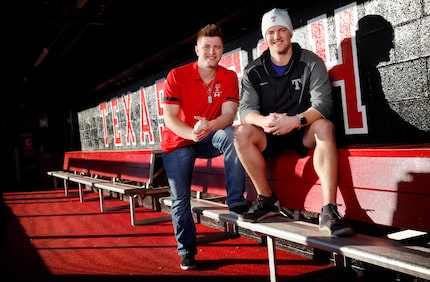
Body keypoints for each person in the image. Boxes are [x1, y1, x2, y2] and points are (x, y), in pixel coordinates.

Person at [233, 8, 354, 237]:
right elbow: (246, 109)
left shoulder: (311, 62)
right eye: (270, 32)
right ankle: (266, 200)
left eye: (281, 30)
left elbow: (322, 105)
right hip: (270, 132)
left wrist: (295, 121)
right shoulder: (254, 70)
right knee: (241, 133)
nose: (276, 36)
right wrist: (263, 120)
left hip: (302, 129)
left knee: (325, 127)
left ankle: (329, 210)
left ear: (290, 32)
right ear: (265, 37)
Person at [161, 23, 249, 270]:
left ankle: (236, 201)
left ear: (222, 50)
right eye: (207, 46)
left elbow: (229, 115)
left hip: (208, 134)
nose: (212, 51)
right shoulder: (176, 75)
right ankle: (186, 249)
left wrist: (209, 125)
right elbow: (169, 118)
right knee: (180, 199)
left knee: (234, 133)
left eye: (217, 47)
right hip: (178, 141)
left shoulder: (229, 76)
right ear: (197, 49)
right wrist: (192, 132)